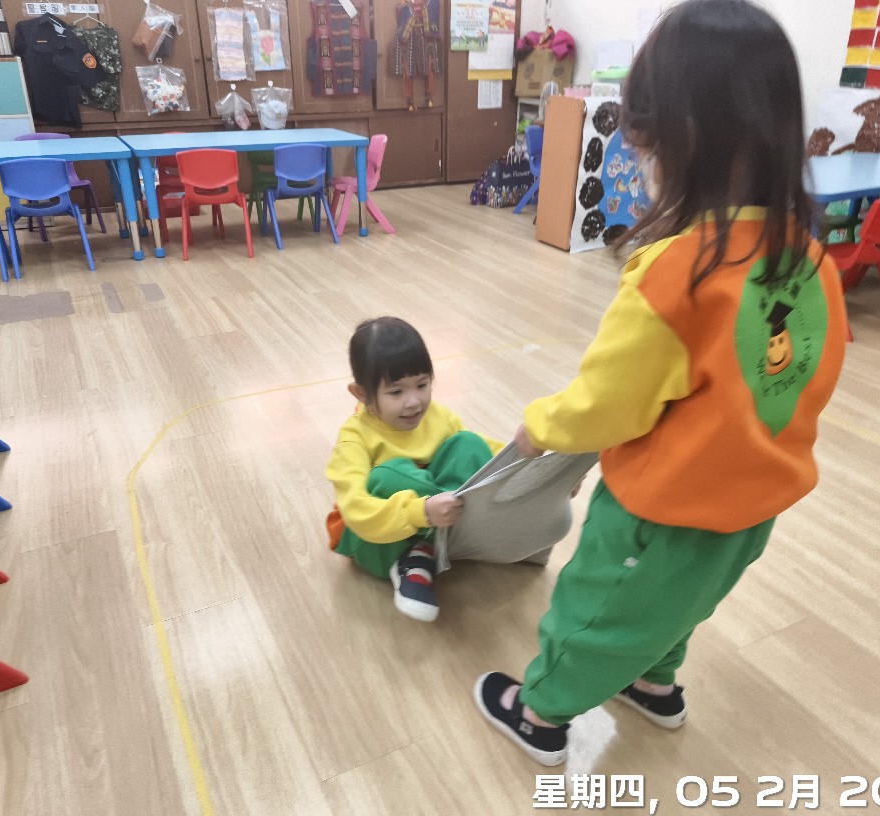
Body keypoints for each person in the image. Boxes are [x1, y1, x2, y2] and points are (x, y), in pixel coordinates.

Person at [473, 0, 848, 766]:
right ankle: (655, 683)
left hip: (663, 505)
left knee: (597, 607)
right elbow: (804, 375)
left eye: (644, 151)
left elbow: (609, 401)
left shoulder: (675, 275)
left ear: (686, 140)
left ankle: (541, 715)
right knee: (682, 601)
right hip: (755, 505)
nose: (640, 168)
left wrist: (540, 428)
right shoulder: (812, 260)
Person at [326, 316, 501, 622]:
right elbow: (356, 511)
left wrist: (533, 466)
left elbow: (483, 450)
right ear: (362, 394)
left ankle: (431, 548)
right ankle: (418, 555)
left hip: (435, 519)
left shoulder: (437, 416)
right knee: (388, 474)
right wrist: (421, 512)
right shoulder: (355, 437)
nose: (414, 402)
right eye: (396, 392)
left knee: (469, 443)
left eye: (422, 385)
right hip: (377, 541)